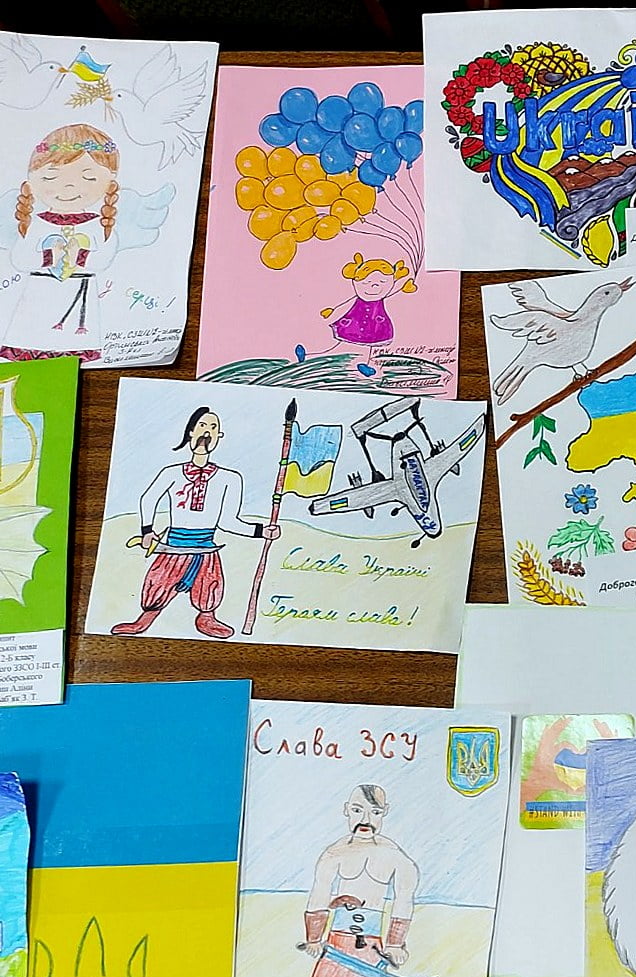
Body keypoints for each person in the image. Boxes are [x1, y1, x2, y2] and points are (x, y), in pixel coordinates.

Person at [269, 783, 420, 977]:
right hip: (336, 947)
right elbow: (319, 895)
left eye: (374, 812)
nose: (366, 819)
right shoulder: (333, 854)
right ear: (346, 811)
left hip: (372, 952)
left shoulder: (396, 858)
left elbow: (404, 899)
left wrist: (395, 944)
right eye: (357, 810)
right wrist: (314, 938)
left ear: (384, 813)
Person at [111, 406, 280, 639]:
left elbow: (228, 521)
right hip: (173, 545)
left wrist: (261, 531)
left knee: (209, 584)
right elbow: (148, 499)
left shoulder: (230, 479)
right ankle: (144, 620)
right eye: (202, 425)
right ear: (191, 431)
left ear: (219, 436)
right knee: (158, 582)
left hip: (206, 546)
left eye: (213, 427)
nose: (207, 432)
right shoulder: (172, 473)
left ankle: (207, 618)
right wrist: (147, 530)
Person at [2, 123, 122, 361]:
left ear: (109, 183)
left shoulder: (98, 225)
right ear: (32, 181)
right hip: (40, 291)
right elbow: (20, 258)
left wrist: (80, 255)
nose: (68, 186)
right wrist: (50, 255)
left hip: (79, 291)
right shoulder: (37, 223)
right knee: (33, 331)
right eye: (50, 177)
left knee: (72, 338)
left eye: (88, 178)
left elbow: (103, 259)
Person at [295, 252, 417, 377]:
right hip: (355, 322)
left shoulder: (381, 296)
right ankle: (308, 355)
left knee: (368, 346)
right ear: (355, 282)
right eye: (366, 282)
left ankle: (366, 365)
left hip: (375, 324)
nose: (374, 286)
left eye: (382, 281)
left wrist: (405, 287)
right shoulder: (358, 298)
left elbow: (393, 291)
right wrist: (332, 310)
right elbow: (345, 303)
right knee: (337, 345)